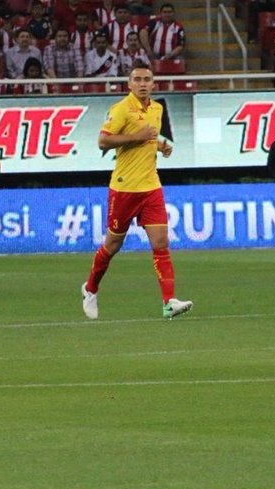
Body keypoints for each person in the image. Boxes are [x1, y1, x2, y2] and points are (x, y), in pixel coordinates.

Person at [81, 66, 193, 321]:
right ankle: (90, 289)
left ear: (154, 84)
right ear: (129, 84)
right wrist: (137, 135)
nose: (143, 84)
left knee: (161, 243)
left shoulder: (157, 109)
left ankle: (169, 302)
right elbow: (103, 141)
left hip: (151, 186)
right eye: (138, 80)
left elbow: (149, 138)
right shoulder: (121, 109)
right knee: (112, 245)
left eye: (147, 79)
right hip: (124, 188)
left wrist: (161, 144)